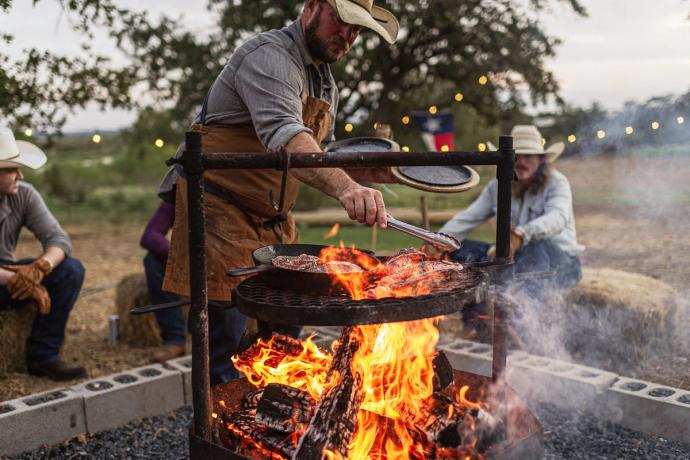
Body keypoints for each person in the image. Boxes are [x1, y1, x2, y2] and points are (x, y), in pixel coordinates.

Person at [159, 0, 400, 385]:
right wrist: (347, 188)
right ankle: (221, 430)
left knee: (288, 327)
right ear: (312, 7)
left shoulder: (324, 80)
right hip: (220, 211)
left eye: (357, 30)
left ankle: (277, 419)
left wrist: (366, 170)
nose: (348, 36)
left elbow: (324, 151)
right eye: (341, 22)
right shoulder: (269, 57)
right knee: (227, 338)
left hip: (273, 220)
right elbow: (287, 137)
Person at [439, 125, 584, 336]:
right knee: (462, 250)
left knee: (536, 247)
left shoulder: (557, 183)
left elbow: (558, 218)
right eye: (517, 156)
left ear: (541, 160)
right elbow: (467, 218)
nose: (522, 161)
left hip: (561, 263)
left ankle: (523, 328)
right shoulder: (497, 186)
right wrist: (439, 240)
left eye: (529, 156)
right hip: (517, 260)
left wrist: (522, 234)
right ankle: (476, 326)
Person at [0, 127, 86, 381]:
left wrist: (40, 267)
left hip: (9, 278)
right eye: (10, 169)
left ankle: (42, 356)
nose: (20, 175)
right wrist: (14, 279)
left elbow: (58, 239)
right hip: (7, 279)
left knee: (71, 270)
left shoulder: (24, 194)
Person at [140, 201, 187, 363]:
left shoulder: (235, 180)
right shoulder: (181, 188)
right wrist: (177, 256)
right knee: (153, 260)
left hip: (228, 256)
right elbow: (150, 235)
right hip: (193, 260)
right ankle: (175, 338)